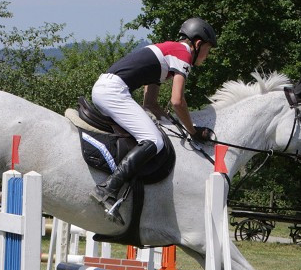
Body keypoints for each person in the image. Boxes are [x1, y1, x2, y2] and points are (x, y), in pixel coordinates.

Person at [89, 17, 218, 223]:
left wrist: (171, 122)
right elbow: (177, 101)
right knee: (154, 141)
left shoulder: (167, 53)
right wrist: (192, 131)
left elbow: (150, 104)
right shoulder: (183, 52)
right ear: (198, 43)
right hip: (113, 92)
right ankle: (107, 188)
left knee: (154, 135)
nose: (207, 56)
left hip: (108, 89)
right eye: (208, 50)